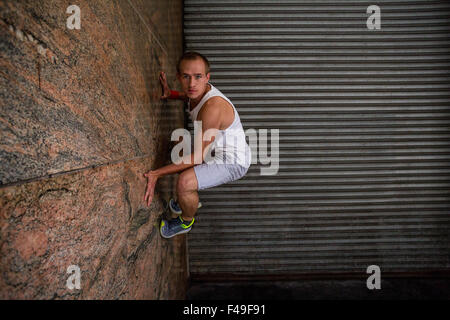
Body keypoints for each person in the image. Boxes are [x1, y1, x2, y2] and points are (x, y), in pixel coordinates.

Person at [143, 51, 251, 238]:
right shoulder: (199, 90)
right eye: (186, 77)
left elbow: (199, 156)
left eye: (198, 77)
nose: (191, 84)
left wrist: (156, 174)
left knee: (185, 182)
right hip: (214, 146)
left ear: (207, 78)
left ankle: (186, 220)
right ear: (179, 77)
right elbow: (190, 96)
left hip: (234, 161)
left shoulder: (213, 108)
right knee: (180, 144)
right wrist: (172, 94)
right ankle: (184, 201)